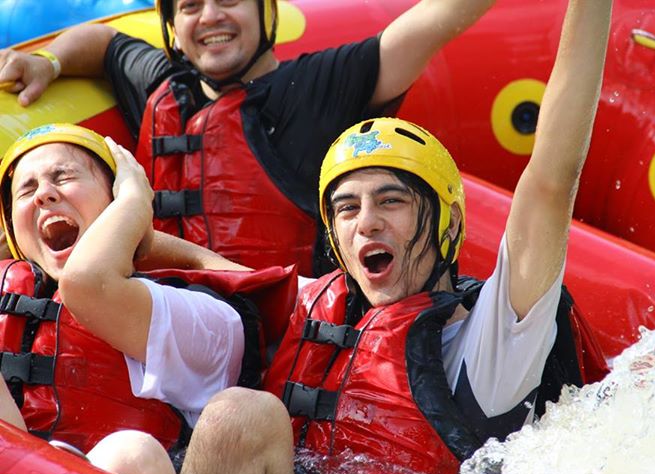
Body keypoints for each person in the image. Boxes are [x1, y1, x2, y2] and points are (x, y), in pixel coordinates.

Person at [263, 0, 613, 474]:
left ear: (449, 224)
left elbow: (552, 179)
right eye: (348, 208)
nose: (366, 222)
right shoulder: (315, 312)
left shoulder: (495, 345)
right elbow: (221, 280)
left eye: (391, 201)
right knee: (234, 421)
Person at [0, 0, 496, 277]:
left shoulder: (316, 87)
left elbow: (431, 23)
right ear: (172, 27)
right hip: (159, 328)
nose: (210, 16)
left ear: (267, 14)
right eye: (191, 7)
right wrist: (50, 62)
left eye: (230, 0)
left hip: (277, 339)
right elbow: (107, 44)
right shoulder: (161, 85)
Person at [0, 123, 295, 474]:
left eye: (63, 177)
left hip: (143, 467)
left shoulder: (200, 314)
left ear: (117, 201)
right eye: (26, 190)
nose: (43, 194)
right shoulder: (12, 294)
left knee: (134, 454)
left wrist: (136, 200)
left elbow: (90, 283)